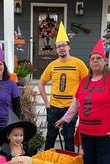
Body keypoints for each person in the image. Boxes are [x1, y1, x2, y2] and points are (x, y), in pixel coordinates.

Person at [38, 21, 88, 151]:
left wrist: (79, 102)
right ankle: (47, 163)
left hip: (70, 108)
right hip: (53, 107)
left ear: (69, 46)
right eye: (58, 46)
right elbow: (41, 83)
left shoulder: (79, 64)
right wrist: (47, 104)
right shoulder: (52, 65)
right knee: (50, 137)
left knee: (68, 138)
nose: (61, 48)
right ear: (56, 49)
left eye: (64, 45)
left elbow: (87, 84)